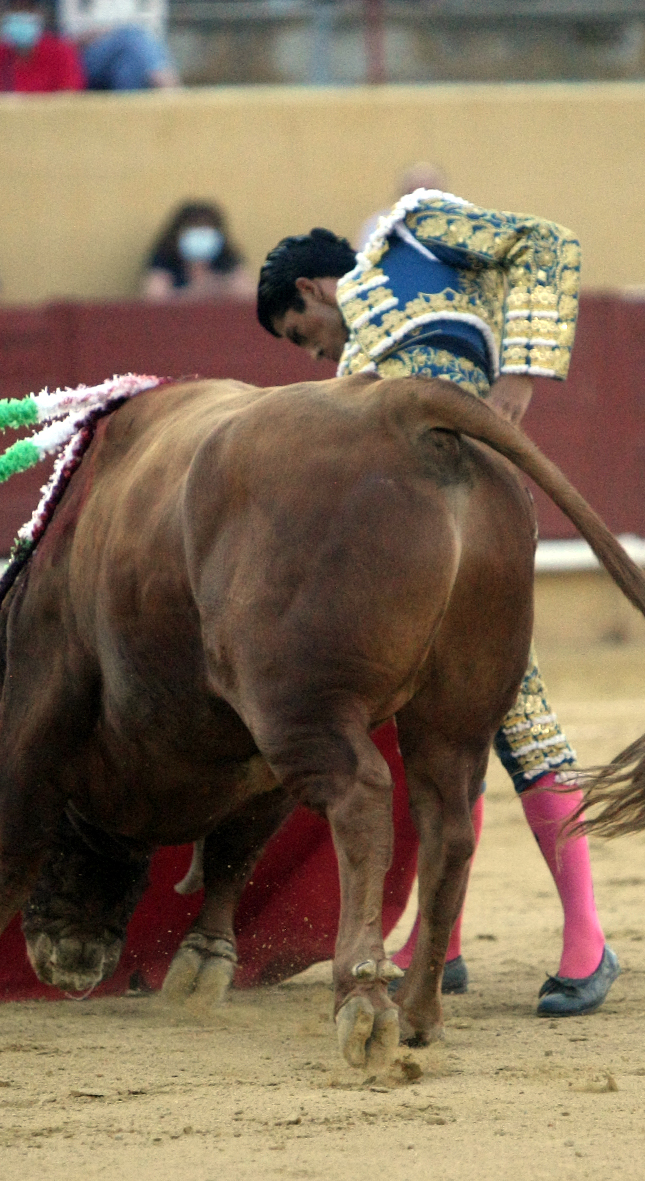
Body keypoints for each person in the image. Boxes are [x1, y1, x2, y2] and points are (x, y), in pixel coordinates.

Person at [256, 187, 620, 1017]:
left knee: (513, 704)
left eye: (298, 334)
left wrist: (521, 374)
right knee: (433, 723)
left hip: (481, 502)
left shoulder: (413, 231)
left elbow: (546, 239)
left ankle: (588, 941)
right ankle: (441, 942)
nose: (310, 356)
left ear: (311, 289)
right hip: (415, 538)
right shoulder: (350, 383)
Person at [141, 201, 256, 302]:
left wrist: (224, 286)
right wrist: (195, 292)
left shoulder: (227, 258)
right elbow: (153, 299)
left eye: (206, 229)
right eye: (194, 228)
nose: (200, 237)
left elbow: (249, 297)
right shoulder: (166, 258)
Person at [0, 0, 85, 93]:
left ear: (40, 13)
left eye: (28, 9)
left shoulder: (62, 52)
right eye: (15, 9)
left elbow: (71, 96)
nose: (21, 15)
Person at [57, 0, 178, 91]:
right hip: (86, 59)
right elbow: (70, 36)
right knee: (132, 35)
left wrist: (118, 32)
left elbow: (154, 29)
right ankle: (168, 87)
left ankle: (127, 120)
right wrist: (117, 33)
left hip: (134, 53)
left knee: (126, 68)